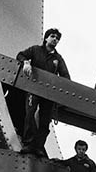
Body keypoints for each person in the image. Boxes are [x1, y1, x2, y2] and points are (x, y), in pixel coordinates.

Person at [17, 28, 70, 157]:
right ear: (46, 38)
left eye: (57, 38)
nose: (55, 40)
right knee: (29, 116)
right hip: (33, 90)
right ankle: (28, 144)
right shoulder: (35, 50)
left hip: (48, 94)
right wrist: (26, 63)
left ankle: (39, 147)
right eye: (52, 36)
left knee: (45, 121)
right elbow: (20, 55)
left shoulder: (58, 58)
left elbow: (65, 76)